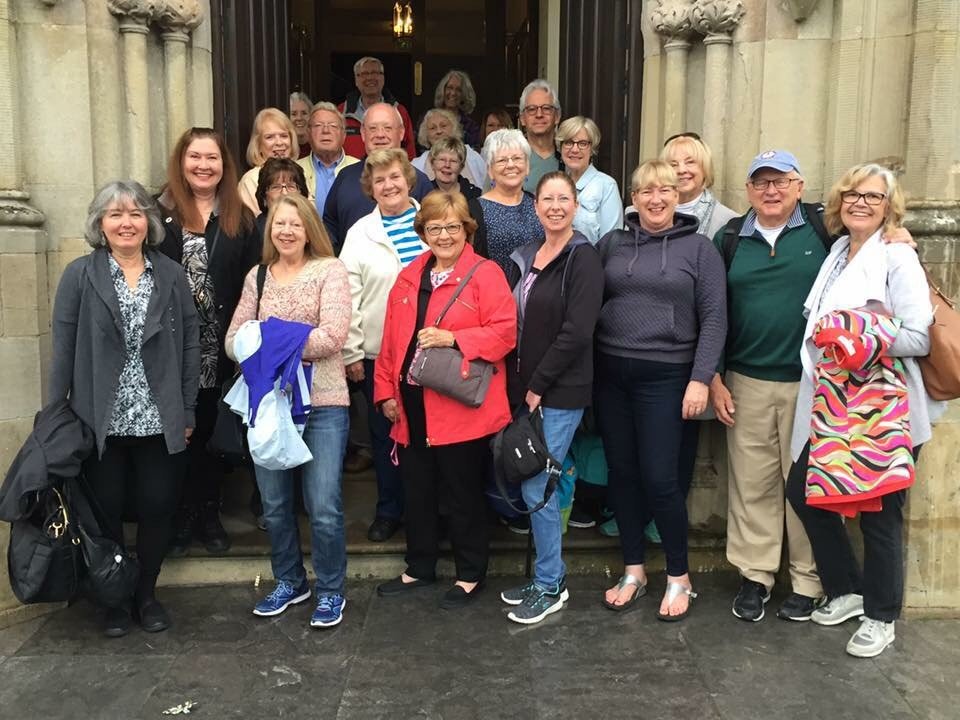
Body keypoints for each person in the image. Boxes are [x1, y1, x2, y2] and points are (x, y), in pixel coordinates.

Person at [784, 163, 941, 657]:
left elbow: (917, 335)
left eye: (874, 197)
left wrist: (860, 335)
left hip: (881, 410)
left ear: (889, 207)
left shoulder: (898, 257)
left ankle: (881, 615)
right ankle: (849, 590)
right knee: (803, 490)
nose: (860, 203)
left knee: (881, 512)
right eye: (852, 194)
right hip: (833, 409)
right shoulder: (835, 252)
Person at [50, 180, 200, 637]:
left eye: (135, 213)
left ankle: (146, 594)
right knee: (107, 509)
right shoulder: (80, 275)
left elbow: (191, 344)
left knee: (157, 506)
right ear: (100, 224)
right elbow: (62, 350)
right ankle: (113, 599)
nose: (126, 222)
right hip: (101, 420)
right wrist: (56, 416)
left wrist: (188, 410)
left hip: (160, 415)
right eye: (115, 214)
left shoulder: (171, 274)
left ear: (148, 223)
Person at [373, 189, 517, 609]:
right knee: (416, 489)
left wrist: (455, 338)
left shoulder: (485, 273)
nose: (444, 235)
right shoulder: (409, 276)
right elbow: (390, 343)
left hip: (460, 405)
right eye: (434, 227)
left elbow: (506, 333)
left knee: (462, 492)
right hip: (411, 404)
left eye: (453, 226)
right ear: (423, 232)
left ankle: (470, 573)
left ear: (467, 229)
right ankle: (419, 566)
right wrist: (384, 391)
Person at [596, 160, 726, 620]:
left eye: (665, 190)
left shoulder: (700, 249)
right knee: (623, 474)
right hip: (612, 375)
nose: (656, 199)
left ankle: (679, 577)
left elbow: (714, 318)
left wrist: (700, 378)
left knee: (660, 479)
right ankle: (634, 570)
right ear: (633, 198)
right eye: (646, 191)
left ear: (678, 196)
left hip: (668, 377)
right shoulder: (611, 243)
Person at [225, 193, 352, 628]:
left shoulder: (329, 270)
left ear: (309, 228)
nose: (286, 231)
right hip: (268, 407)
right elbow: (232, 340)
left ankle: (332, 590)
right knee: (276, 505)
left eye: (295, 224)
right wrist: (288, 339)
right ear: (269, 230)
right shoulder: (256, 277)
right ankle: (290, 580)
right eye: (279, 224)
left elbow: (332, 336)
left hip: (323, 404)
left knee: (323, 505)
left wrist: (269, 340)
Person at [500, 172, 604, 624]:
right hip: (528, 390)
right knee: (535, 479)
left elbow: (577, 332)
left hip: (559, 391)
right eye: (547, 198)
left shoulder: (583, 259)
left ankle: (550, 584)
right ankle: (546, 573)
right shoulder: (526, 256)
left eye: (564, 198)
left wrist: (537, 386)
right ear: (535, 206)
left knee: (537, 485)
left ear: (575, 206)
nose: (555, 206)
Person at [157, 127, 260, 557]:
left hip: (220, 347)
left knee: (212, 433)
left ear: (224, 165)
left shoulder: (242, 218)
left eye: (212, 158)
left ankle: (209, 512)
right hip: (171, 348)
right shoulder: (157, 217)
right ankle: (182, 515)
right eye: (195, 157)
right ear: (182, 162)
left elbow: (255, 283)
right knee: (178, 434)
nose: (203, 165)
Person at [339, 148, 428, 543]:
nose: (389, 185)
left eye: (394, 176)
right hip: (379, 355)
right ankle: (390, 510)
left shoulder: (433, 220)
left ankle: (428, 513)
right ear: (370, 189)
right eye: (379, 180)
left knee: (429, 435)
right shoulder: (360, 233)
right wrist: (353, 352)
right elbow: (349, 296)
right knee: (385, 436)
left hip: (432, 351)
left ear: (408, 179)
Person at [323, 103, 433, 253]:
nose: (380, 134)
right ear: (363, 133)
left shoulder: (419, 181)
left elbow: (435, 230)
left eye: (387, 128)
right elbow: (329, 229)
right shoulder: (345, 177)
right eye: (372, 128)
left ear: (401, 132)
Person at [470, 129, 544, 273]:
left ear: (527, 166)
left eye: (517, 158)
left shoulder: (538, 204)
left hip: (536, 291)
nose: (510, 165)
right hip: (494, 292)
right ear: (490, 170)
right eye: (502, 160)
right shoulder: (473, 210)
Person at [555, 116, 623, 244]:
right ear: (560, 147)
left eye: (582, 144)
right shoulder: (554, 184)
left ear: (592, 149)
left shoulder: (607, 186)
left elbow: (611, 243)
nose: (575, 149)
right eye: (569, 142)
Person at [660, 133, 738, 239]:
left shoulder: (728, 221)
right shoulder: (637, 214)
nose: (681, 170)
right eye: (673, 164)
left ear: (705, 168)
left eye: (690, 162)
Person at [339, 56, 416, 160]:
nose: (370, 78)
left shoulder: (399, 111)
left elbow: (409, 150)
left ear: (383, 78)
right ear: (356, 80)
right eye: (364, 74)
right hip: (352, 173)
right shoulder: (341, 112)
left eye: (375, 72)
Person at [296, 101, 359, 219]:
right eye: (318, 125)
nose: (326, 131)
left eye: (333, 126)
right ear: (308, 134)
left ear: (344, 135)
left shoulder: (359, 169)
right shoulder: (295, 170)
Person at [237, 108, 299, 215]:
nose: (279, 142)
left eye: (284, 136)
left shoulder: (300, 173)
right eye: (270, 137)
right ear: (258, 145)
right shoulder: (251, 180)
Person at [412, 108, 487, 189]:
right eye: (432, 128)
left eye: (443, 126)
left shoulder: (473, 156)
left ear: (454, 128)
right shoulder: (415, 165)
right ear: (425, 133)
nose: (439, 131)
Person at [518, 79, 563, 193]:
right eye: (532, 109)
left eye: (546, 108)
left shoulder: (570, 157)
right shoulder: (508, 157)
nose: (539, 115)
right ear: (522, 118)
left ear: (557, 116)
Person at [254, 157, 310, 236]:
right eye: (276, 187)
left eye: (291, 187)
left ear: (301, 193)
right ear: (264, 197)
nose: (284, 193)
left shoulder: (313, 226)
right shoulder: (254, 232)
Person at [434, 69, 481, 149]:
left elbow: (474, 152)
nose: (453, 93)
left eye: (458, 90)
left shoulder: (471, 127)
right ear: (443, 90)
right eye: (450, 88)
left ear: (464, 95)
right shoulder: (429, 120)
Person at [289, 91, 313, 158]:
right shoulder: (283, 149)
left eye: (304, 113)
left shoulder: (318, 147)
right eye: (294, 114)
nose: (299, 118)